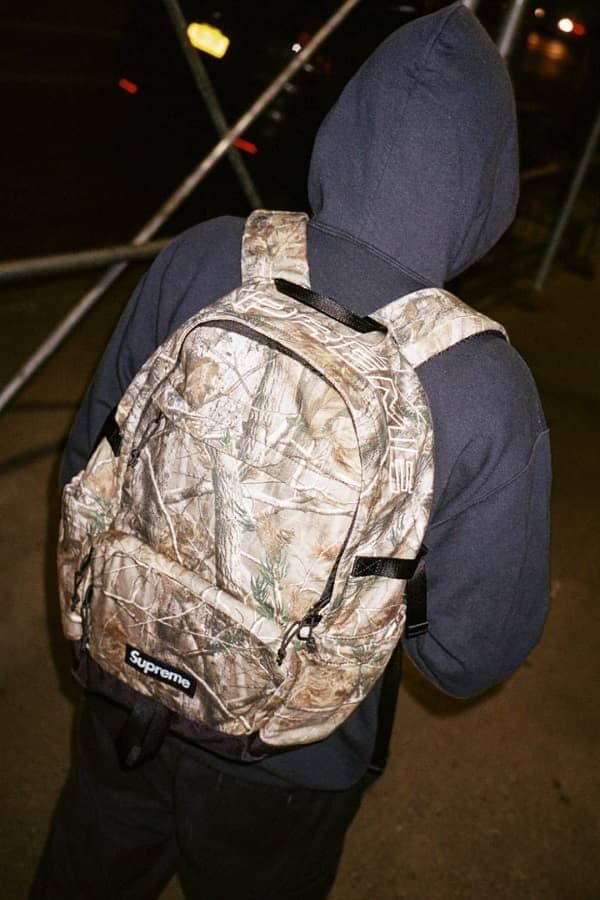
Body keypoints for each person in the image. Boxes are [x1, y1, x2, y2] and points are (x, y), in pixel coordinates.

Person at [31, 3, 551, 898]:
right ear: (486, 189)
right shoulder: (484, 386)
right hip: (289, 761)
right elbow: (470, 658)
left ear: (345, 128)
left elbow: (89, 460)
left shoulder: (205, 258)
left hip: (123, 683)